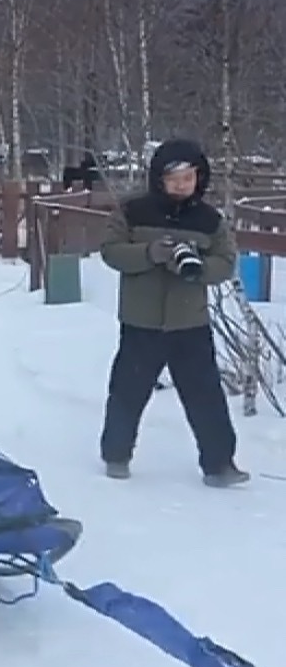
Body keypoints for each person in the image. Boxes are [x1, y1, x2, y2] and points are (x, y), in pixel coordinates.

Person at [98, 138, 248, 487]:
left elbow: (226, 262)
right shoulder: (132, 211)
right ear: (159, 179)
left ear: (199, 178)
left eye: (188, 178)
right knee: (128, 391)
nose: (181, 185)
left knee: (206, 396)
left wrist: (197, 268)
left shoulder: (210, 221)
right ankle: (116, 455)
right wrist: (149, 254)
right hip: (141, 320)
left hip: (189, 321)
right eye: (174, 178)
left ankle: (219, 465)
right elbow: (110, 250)